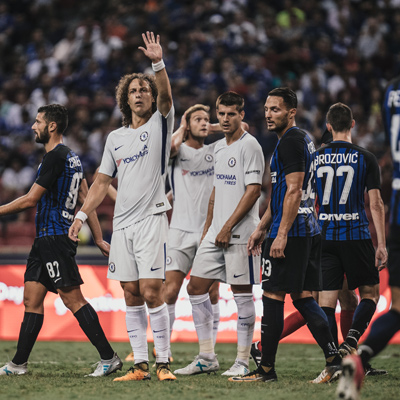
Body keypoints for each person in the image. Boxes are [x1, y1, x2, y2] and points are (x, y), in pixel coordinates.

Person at [68, 31, 176, 382]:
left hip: (152, 220)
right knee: (130, 293)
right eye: (133, 91)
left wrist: (157, 64)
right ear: (125, 99)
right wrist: (81, 216)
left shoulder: (161, 123)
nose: (139, 94)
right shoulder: (115, 138)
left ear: (152, 96)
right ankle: (140, 366)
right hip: (123, 225)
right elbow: (101, 183)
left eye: (144, 89)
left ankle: (164, 363)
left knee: (151, 291)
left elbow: (167, 96)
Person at [250, 127, 387, 376]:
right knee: (314, 301)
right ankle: (335, 358)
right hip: (334, 236)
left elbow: (293, 195)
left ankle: (347, 359)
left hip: (321, 235)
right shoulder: (349, 158)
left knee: (342, 299)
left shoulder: (314, 160)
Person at [0, 104, 122, 377]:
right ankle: (18, 364)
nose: (33, 126)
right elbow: (86, 199)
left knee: (72, 299)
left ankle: (109, 358)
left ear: (51, 126)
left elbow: (31, 199)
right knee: (31, 299)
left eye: (38, 121)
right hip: (44, 240)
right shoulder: (73, 158)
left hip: (55, 237)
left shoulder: (55, 157)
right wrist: (98, 238)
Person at [231, 87, 342, 384]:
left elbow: (293, 191)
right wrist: (261, 227)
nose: (268, 114)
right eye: (267, 109)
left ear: (291, 112)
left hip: (292, 232)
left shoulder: (290, 142)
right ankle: (334, 360)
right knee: (304, 298)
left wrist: (279, 235)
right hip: (307, 228)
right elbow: (281, 194)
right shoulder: (302, 139)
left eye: (275, 109)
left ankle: (266, 369)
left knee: (272, 296)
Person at [174, 91, 265, 377]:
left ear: (241, 115)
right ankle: (207, 357)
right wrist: (209, 230)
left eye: (231, 114)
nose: (225, 119)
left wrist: (227, 227)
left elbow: (254, 191)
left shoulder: (250, 146)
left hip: (241, 234)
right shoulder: (219, 148)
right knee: (195, 288)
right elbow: (215, 193)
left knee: (241, 295)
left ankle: (242, 361)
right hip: (215, 233)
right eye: (221, 114)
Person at [336, 78, 400, 399]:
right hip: (357, 232)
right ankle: (350, 348)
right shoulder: (364, 157)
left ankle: (353, 357)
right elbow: (374, 203)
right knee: (368, 295)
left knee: (394, 307)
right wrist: (379, 244)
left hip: (333, 232)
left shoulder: (392, 92)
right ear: (352, 125)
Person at [164, 104, 221, 358]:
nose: (204, 123)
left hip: (209, 232)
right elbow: (169, 146)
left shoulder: (215, 150)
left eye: (207, 119)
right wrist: (183, 125)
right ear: (187, 125)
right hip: (179, 231)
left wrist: (211, 127)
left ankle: (209, 352)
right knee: (169, 292)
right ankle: (163, 350)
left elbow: (242, 128)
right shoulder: (178, 151)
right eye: (198, 119)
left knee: (212, 292)